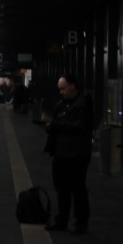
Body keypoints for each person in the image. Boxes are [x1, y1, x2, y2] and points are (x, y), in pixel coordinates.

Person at [43, 73, 95, 233]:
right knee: (61, 189)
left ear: (73, 86)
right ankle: (62, 220)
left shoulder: (84, 105)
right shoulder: (61, 105)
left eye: (63, 88)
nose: (61, 92)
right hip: (60, 153)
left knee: (78, 189)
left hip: (77, 155)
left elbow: (80, 127)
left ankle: (81, 223)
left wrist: (56, 126)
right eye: (60, 89)